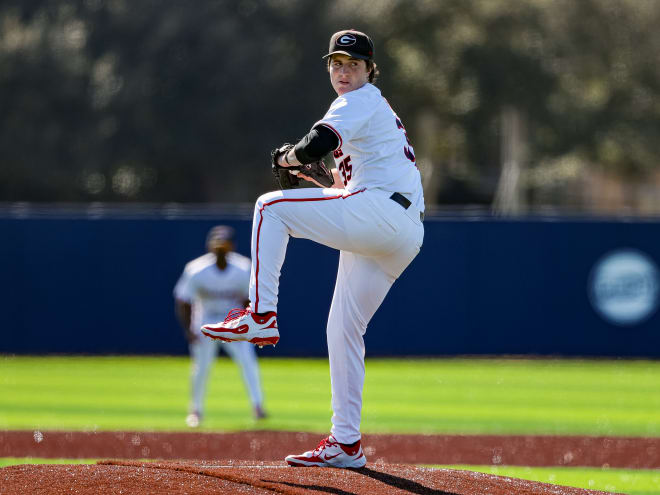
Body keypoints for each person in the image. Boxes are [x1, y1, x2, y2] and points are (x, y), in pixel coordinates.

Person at [202, 29, 424, 468]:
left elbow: (315, 143)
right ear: (329, 67)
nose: (344, 72)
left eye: (354, 65)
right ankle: (346, 444)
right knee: (342, 329)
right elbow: (348, 183)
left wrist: (287, 159)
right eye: (337, 64)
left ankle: (261, 316)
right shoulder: (370, 110)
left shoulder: (359, 100)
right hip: (400, 230)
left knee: (269, 207)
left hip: (381, 212)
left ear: (369, 71)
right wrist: (317, 180)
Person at [174, 225, 267, 428]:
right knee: (201, 368)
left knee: (248, 362)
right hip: (205, 321)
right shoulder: (196, 270)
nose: (220, 248)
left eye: (224, 244)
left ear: (232, 246)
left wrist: (249, 324)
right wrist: (188, 329)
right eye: (216, 244)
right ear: (209, 246)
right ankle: (195, 410)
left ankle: (258, 406)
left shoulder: (243, 268)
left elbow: (249, 300)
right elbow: (183, 300)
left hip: (233, 322)